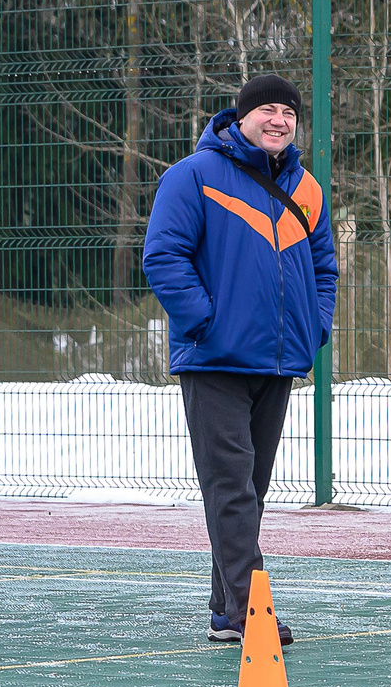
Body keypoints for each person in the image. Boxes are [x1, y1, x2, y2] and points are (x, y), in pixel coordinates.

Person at [142, 74, 335, 645]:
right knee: (232, 488)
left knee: (248, 487)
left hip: (278, 362)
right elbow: (163, 256)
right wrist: (205, 322)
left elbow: (324, 270)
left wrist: (315, 326)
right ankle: (253, 613)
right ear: (241, 116)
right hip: (214, 360)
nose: (279, 120)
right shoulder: (192, 177)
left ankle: (227, 612)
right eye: (268, 110)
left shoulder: (309, 190)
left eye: (289, 113)